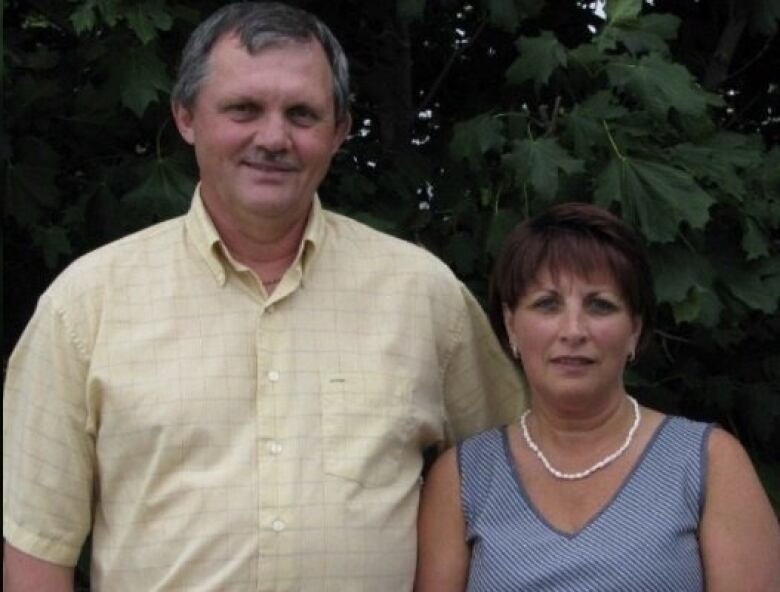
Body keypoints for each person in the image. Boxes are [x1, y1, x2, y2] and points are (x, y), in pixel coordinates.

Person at [2, 3, 524, 590]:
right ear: (186, 115)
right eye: (243, 109)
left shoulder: (425, 296)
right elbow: (36, 553)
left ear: (340, 130)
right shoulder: (85, 306)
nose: (273, 138)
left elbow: (514, 489)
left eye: (302, 114)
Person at [415, 202, 780, 591]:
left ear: (634, 330)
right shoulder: (464, 476)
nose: (573, 330)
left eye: (600, 305)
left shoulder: (708, 461)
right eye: (547, 304)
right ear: (511, 326)